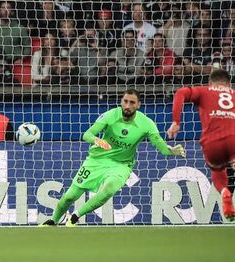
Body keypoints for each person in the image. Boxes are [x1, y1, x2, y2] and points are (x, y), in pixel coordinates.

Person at [41, 89, 185, 226]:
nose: (128, 106)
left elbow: (160, 146)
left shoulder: (146, 124)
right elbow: (87, 134)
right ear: (121, 101)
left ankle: (75, 216)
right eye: (125, 101)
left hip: (121, 165)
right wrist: (97, 141)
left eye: (132, 102)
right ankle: (53, 220)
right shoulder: (110, 115)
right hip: (96, 160)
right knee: (69, 197)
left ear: (138, 105)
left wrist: (171, 151)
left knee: (109, 189)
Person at [168, 69, 235, 221]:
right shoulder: (233, 94)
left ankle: (224, 191)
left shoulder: (204, 91)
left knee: (217, 170)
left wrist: (176, 122)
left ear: (210, 83)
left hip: (212, 143)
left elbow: (180, 93)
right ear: (229, 84)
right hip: (233, 138)